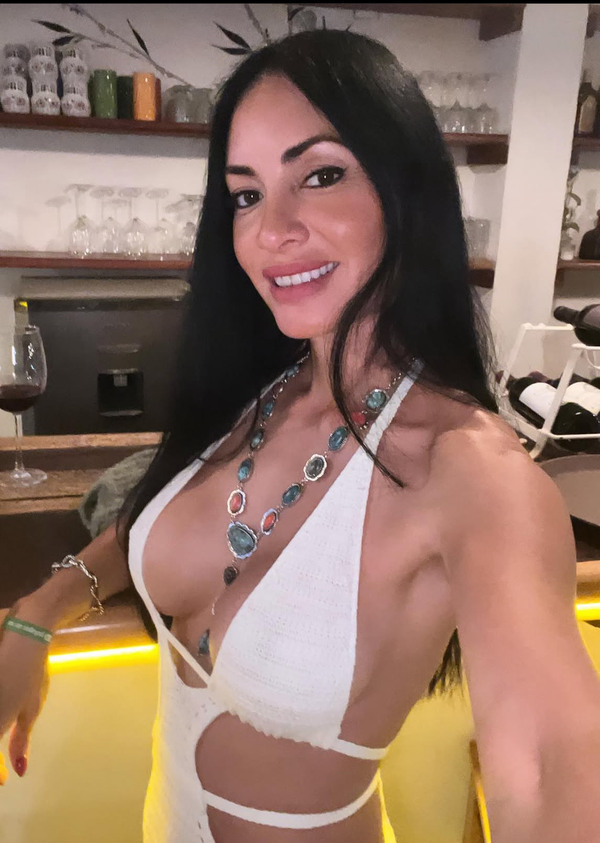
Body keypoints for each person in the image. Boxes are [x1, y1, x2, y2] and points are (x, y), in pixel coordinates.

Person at [1, 28, 600, 843]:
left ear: (405, 190)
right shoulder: (260, 387)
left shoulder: (471, 471)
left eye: (320, 175)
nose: (270, 229)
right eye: (246, 194)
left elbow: (549, 767)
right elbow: (151, 525)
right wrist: (36, 614)